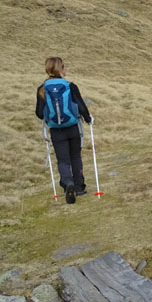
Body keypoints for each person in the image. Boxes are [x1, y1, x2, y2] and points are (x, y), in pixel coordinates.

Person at [35, 57, 92, 204]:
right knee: (75, 156)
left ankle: (67, 183)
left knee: (63, 160)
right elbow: (80, 105)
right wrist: (88, 119)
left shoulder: (42, 88)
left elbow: (39, 113)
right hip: (72, 127)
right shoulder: (70, 85)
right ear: (61, 68)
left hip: (56, 130)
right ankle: (79, 186)